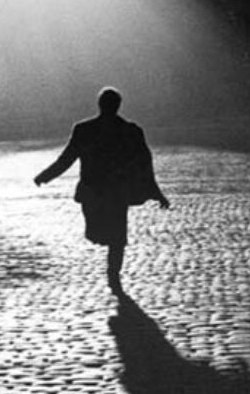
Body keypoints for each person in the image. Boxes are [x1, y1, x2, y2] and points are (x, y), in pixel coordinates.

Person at [34, 87, 170, 293]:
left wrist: (45, 176)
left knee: (106, 234)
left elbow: (67, 158)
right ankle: (113, 272)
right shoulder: (131, 130)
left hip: (93, 190)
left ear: (100, 105)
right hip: (117, 191)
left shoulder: (84, 130)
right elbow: (145, 164)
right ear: (118, 105)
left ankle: (113, 274)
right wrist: (156, 192)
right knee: (116, 237)